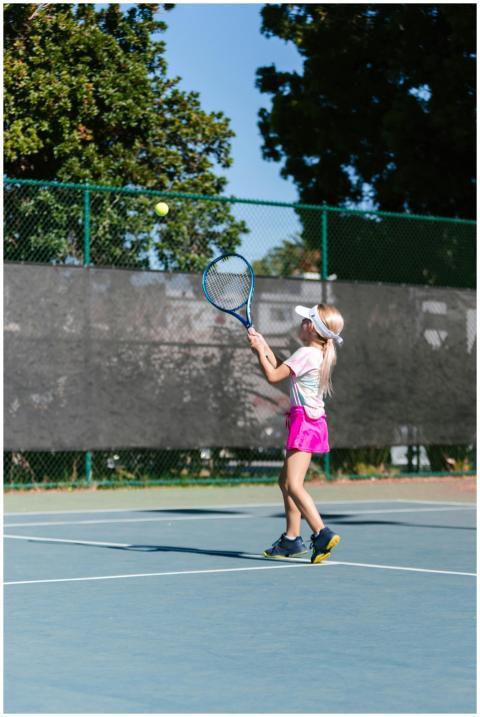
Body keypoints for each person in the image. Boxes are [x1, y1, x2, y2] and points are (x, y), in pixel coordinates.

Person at [247, 303, 344, 564]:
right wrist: (264, 345)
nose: (301, 323)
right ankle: (291, 539)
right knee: (285, 482)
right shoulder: (317, 353)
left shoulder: (305, 353)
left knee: (294, 485)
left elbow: (272, 375)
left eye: (305, 320)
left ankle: (322, 532)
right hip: (312, 423)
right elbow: (284, 368)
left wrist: (258, 352)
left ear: (313, 329)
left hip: (304, 422)